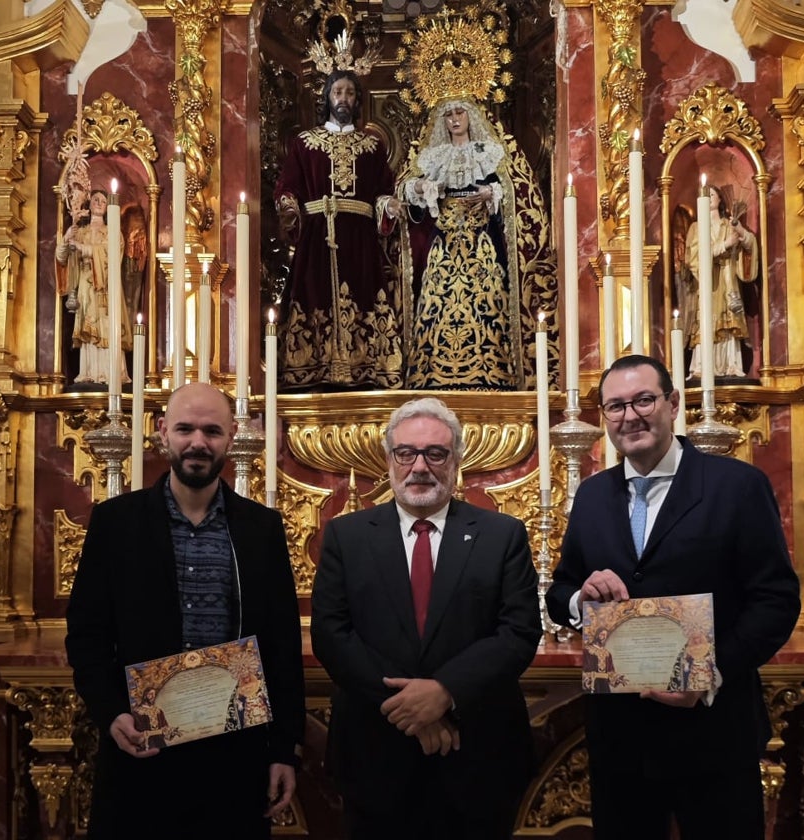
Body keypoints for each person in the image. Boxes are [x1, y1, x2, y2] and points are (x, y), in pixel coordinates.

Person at [545, 355, 800, 840]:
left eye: (644, 399)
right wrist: (582, 596)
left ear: (673, 404)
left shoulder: (737, 486)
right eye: (615, 405)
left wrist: (708, 673)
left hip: (713, 732)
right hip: (621, 739)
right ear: (604, 416)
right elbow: (561, 591)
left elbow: (776, 599)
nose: (630, 415)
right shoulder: (592, 495)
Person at [66, 382, 305, 838]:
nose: (198, 442)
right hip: (142, 749)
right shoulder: (116, 523)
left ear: (232, 436)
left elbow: (282, 646)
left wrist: (283, 751)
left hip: (235, 755)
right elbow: (86, 634)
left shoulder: (262, 529)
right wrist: (112, 711)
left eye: (212, 431)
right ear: (163, 433)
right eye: (185, 429)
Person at [311, 397, 541, 839]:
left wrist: (445, 692)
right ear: (389, 459)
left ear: (456, 460)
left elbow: (518, 632)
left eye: (435, 453)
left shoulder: (501, 535)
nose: (420, 466)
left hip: (477, 755)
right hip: (374, 755)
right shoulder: (347, 535)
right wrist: (413, 709)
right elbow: (331, 634)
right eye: (407, 453)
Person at [274, 69, 402, 390]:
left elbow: (382, 190)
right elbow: (288, 186)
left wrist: (388, 206)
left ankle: (367, 364)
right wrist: (289, 205)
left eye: (349, 93)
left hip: (360, 239)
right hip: (319, 236)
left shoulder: (371, 146)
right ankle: (311, 365)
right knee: (313, 294)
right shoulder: (305, 144)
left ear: (357, 100)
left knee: (364, 294)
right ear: (328, 97)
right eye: (338, 92)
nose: (343, 98)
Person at [401, 99, 517, 389]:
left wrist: (491, 193)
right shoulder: (434, 155)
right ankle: (434, 372)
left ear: (470, 116)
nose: (454, 120)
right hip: (444, 236)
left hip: (482, 237)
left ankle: (489, 368)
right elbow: (407, 188)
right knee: (436, 293)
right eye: (448, 115)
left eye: (459, 113)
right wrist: (423, 187)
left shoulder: (489, 152)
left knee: (488, 292)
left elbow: (513, 188)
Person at [55, 189, 130, 388]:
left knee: (107, 326)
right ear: (89, 204)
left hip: (107, 286)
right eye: (95, 199)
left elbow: (111, 256)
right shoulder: (80, 231)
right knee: (89, 329)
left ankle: (110, 372)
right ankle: (88, 371)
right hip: (85, 287)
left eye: (103, 200)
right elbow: (62, 258)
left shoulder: (113, 232)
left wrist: (83, 248)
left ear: (108, 208)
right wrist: (66, 239)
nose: (98, 202)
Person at [682, 185, 758, 378]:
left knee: (729, 323)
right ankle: (702, 366)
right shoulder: (696, 228)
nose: (709, 197)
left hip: (728, 281)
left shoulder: (728, 224)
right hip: (707, 284)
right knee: (705, 320)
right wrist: (725, 244)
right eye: (705, 194)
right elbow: (693, 258)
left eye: (712, 194)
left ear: (720, 200)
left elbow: (750, 245)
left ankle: (731, 364)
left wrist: (739, 229)